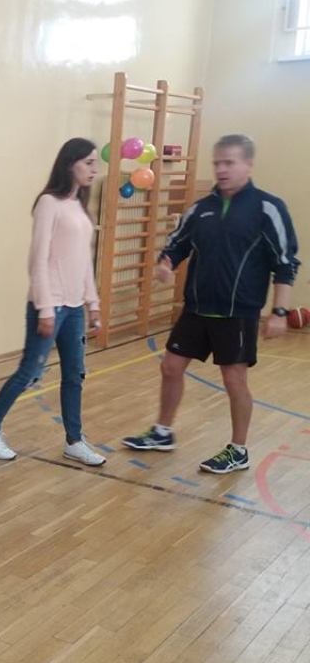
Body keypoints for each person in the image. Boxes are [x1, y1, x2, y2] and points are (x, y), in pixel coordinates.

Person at [123, 134, 300, 472]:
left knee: (234, 380)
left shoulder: (268, 208)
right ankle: (163, 432)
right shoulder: (200, 208)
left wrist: (279, 312)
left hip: (238, 312)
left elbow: (285, 262)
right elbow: (177, 244)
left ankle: (238, 450)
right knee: (170, 367)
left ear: (248, 165)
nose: (221, 169)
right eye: (217, 163)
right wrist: (165, 264)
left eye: (229, 162)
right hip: (196, 308)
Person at [0, 138, 107, 467]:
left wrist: (93, 303)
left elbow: (83, 261)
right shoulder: (49, 203)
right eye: (88, 162)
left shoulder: (79, 206)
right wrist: (46, 309)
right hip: (50, 306)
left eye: (95, 163)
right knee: (30, 371)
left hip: (74, 308)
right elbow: (39, 260)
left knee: (75, 375)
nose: (94, 169)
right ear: (70, 164)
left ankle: (74, 441)